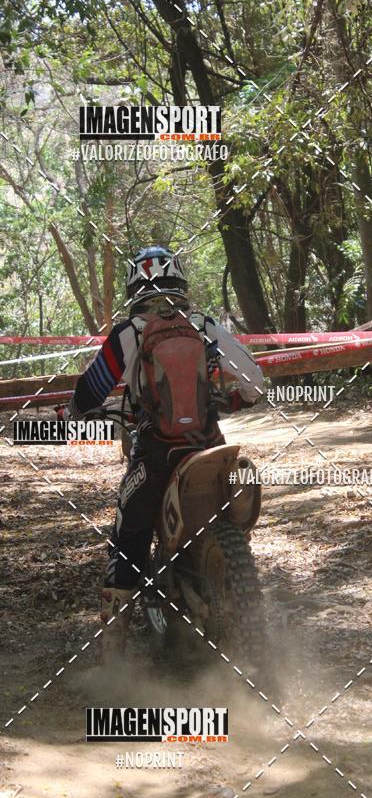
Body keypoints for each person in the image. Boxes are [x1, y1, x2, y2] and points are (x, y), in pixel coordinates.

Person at [63, 246, 264, 658]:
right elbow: (255, 382)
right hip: (211, 446)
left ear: (134, 286)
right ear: (180, 281)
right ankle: (239, 597)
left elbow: (88, 392)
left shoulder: (130, 332)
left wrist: (75, 415)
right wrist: (238, 400)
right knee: (233, 515)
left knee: (127, 536)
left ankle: (114, 658)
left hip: (157, 453)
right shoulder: (203, 324)